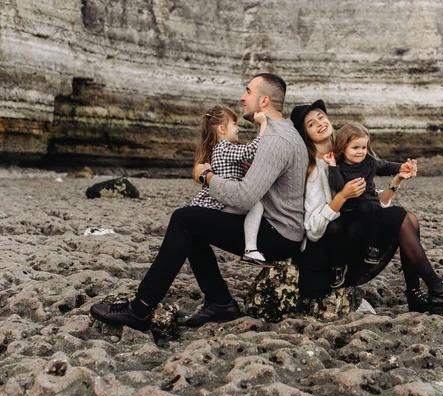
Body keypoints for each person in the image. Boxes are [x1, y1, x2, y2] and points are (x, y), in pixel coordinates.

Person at [90, 73, 309, 331]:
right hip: (279, 225)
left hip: (278, 234)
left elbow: (245, 196)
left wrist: (207, 177)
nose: (242, 97)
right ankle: (220, 303)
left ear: (263, 100)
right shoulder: (282, 132)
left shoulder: (275, 141)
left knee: (184, 220)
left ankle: (140, 310)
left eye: (247, 91)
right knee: (193, 218)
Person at [291, 100, 443, 314]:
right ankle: (436, 289)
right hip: (333, 257)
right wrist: (341, 197)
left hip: (357, 232)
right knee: (400, 216)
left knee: (408, 219)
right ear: (305, 135)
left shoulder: (348, 157)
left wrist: (396, 181)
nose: (319, 122)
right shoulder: (315, 170)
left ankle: (417, 294)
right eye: (310, 123)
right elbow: (314, 230)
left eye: (321, 116)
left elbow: (372, 206)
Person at [322, 122, 415, 288]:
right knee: (333, 228)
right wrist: (332, 166)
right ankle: (337, 267)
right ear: (343, 147)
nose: (360, 152)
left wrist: (402, 167)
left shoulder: (370, 162)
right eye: (355, 148)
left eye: (364, 148)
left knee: (368, 207)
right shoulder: (339, 166)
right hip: (347, 210)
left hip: (369, 208)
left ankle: (372, 249)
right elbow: (337, 186)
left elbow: (386, 166)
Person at [186, 105, 271, 267]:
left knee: (255, 207)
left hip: (224, 198)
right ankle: (251, 250)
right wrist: (263, 125)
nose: (238, 128)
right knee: (256, 205)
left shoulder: (219, 149)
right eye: (235, 124)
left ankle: (251, 248)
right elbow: (252, 151)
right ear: (222, 129)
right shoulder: (224, 148)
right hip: (224, 199)